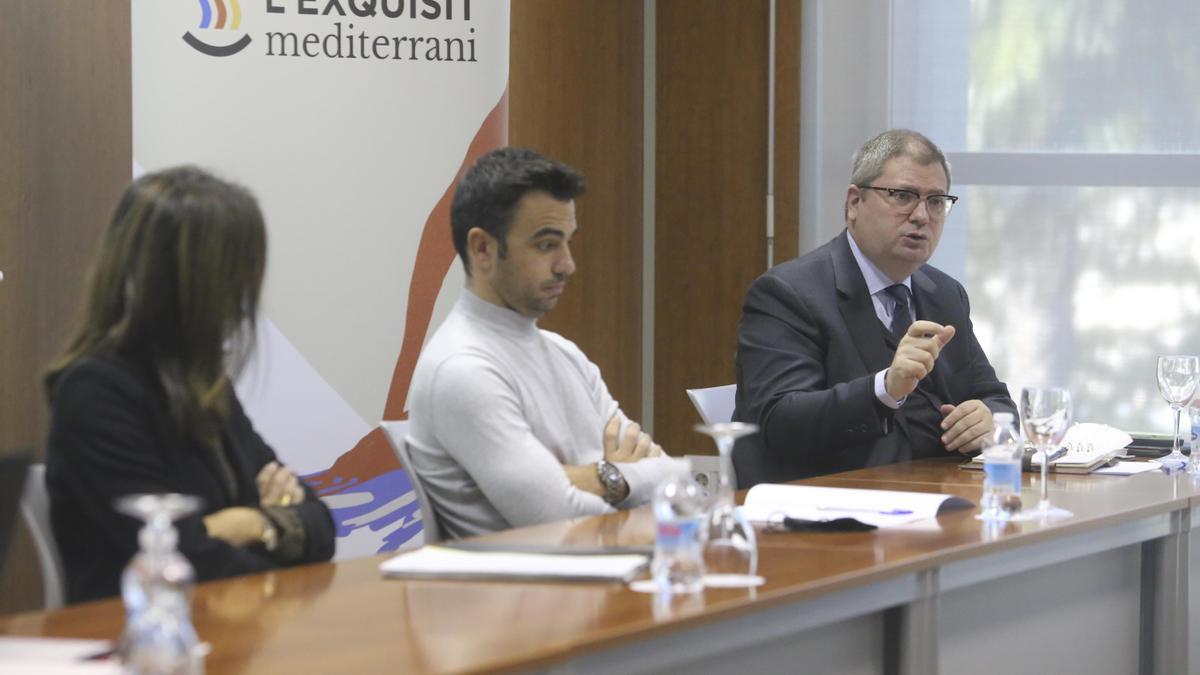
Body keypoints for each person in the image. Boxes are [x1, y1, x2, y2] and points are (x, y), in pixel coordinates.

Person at [44, 167, 335, 603]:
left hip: (228, 635)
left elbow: (320, 524)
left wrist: (252, 524)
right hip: (131, 646)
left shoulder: (202, 385)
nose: (240, 302)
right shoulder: (95, 393)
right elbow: (182, 560)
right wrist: (267, 525)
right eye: (231, 276)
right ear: (182, 282)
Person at [406, 147, 685, 538]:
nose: (567, 264)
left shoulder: (564, 354)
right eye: (546, 244)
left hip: (597, 582)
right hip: (522, 593)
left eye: (568, 242)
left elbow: (676, 479)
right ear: (483, 248)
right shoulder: (462, 368)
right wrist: (616, 476)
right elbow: (557, 515)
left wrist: (591, 478)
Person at [733, 129, 1017, 486]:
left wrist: (988, 418)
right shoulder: (787, 293)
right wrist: (885, 388)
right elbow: (778, 421)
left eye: (936, 201)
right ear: (854, 203)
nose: (921, 216)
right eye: (902, 196)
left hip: (936, 502)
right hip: (832, 509)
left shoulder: (944, 294)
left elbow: (995, 398)